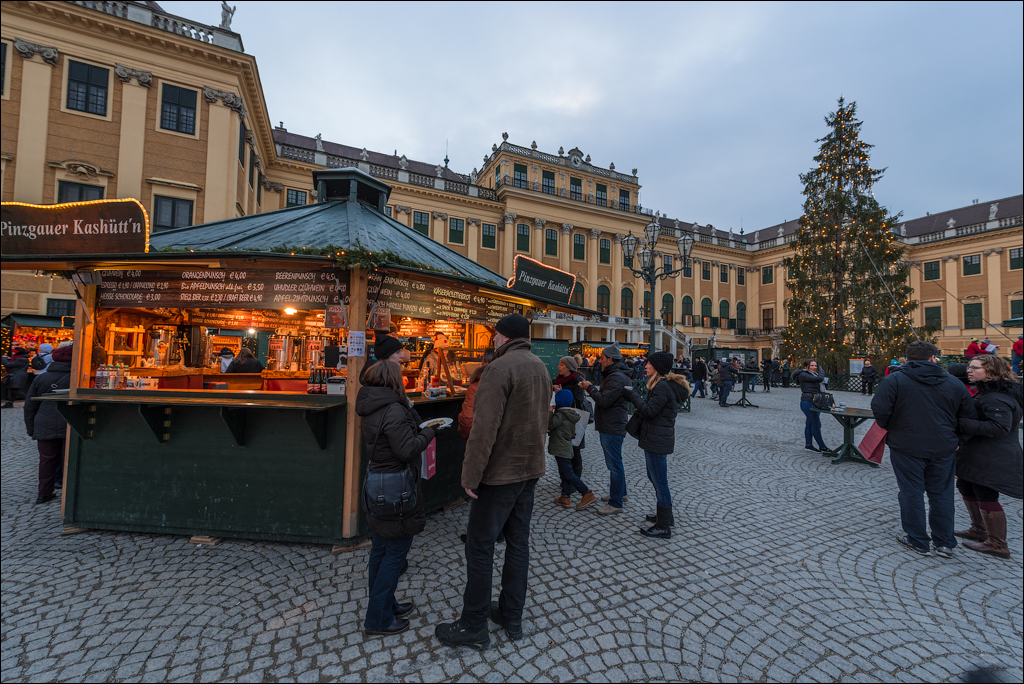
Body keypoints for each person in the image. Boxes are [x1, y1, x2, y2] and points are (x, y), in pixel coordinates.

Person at [435, 313, 549, 649]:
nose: (493, 340)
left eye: (496, 335)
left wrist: (470, 476)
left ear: (504, 337)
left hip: (501, 473)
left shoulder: (499, 369)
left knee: (480, 546)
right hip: (529, 469)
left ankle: (473, 624)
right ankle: (511, 615)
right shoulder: (539, 367)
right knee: (518, 543)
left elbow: (483, 430)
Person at [356, 360, 438, 636]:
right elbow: (406, 449)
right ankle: (378, 620)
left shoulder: (371, 405)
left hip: (379, 483)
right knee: (395, 553)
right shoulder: (392, 409)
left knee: (380, 550)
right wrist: (429, 432)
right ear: (394, 380)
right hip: (397, 488)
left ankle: (385, 605)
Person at [871, 341, 975, 558]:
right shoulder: (953, 383)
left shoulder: (894, 380)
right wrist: (959, 439)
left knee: (911, 491)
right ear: (933, 358)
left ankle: (918, 539)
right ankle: (944, 542)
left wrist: (893, 428)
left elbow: (880, 409)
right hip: (942, 445)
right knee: (942, 494)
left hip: (907, 444)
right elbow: (967, 416)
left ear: (908, 357)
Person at [954, 355, 1022, 558]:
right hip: (980, 452)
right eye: (969, 367)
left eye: (975, 368)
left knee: (985, 492)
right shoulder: (989, 393)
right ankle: (979, 529)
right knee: (966, 486)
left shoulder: (996, 398)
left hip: (992, 454)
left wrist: (962, 423)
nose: (969, 370)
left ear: (991, 372)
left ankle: (998, 543)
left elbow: (999, 427)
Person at [623, 351, 689, 539]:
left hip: (657, 440)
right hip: (655, 438)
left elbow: (650, 411)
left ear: (657, 368)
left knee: (660, 483)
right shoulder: (662, 385)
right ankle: (666, 516)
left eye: (649, 364)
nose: (646, 366)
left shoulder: (662, 387)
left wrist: (633, 396)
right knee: (654, 478)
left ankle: (663, 526)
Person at [579, 343, 633, 515]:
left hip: (612, 425)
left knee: (614, 465)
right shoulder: (615, 375)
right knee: (616, 462)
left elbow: (604, 400)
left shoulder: (616, 377)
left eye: (602, 358)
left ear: (610, 360)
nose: (599, 361)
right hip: (612, 423)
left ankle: (615, 503)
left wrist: (589, 388)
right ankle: (620, 493)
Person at [23, 342, 74, 504]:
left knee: (46, 460)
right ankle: (69, 494)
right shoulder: (77, 379)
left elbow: (29, 406)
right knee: (69, 459)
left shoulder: (41, 378)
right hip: (70, 421)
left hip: (44, 422)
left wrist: (31, 428)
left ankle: (43, 493)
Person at [549, 389, 595, 509]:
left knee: (568, 473)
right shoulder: (570, 414)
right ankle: (565, 496)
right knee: (564, 473)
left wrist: (549, 412)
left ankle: (586, 493)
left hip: (560, 449)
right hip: (566, 448)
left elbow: (549, 425)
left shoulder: (559, 415)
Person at [551, 355, 588, 478]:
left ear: (569, 367)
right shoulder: (558, 380)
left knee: (575, 451)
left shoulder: (578, 382)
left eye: (561, 365)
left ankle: (575, 480)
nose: (558, 367)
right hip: (560, 421)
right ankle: (566, 479)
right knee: (561, 452)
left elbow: (578, 402)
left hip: (573, 422)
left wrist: (561, 393)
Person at [793, 358, 830, 453]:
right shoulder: (804, 375)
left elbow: (818, 383)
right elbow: (819, 379)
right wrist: (821, 370)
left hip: (815, 402)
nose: (814, 367)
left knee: (810, 424)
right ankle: (822, 447)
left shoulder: (814, 375)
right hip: (808, 402)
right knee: (816, 424)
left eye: (815, 366)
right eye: (812, 365)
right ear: (806, 367)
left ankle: (808, 445)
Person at [457, 348, 496, 441]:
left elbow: (467, 422)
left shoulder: (475, 387)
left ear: (485, 362)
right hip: (500, 442)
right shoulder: (507, 382)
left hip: (480, 441)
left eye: (482, 359)